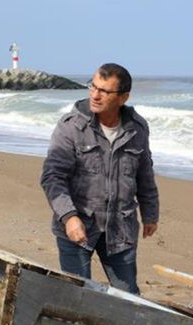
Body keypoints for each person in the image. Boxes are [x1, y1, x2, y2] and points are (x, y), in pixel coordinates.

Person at [41, 63, 159, 294]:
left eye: (104, 91)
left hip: (121, 228)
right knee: (78, 295)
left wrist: (150, 213)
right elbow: (53, 177)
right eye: (93, 86)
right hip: (78, 227)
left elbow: (144, 174)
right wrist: (69, 217)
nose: (95, 95)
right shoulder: (71, 127)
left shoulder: (137, 129)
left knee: (128, 296)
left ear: (123, 97)